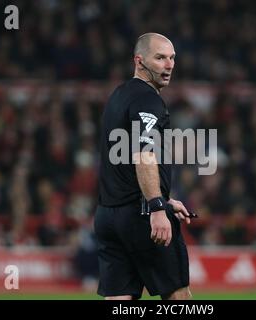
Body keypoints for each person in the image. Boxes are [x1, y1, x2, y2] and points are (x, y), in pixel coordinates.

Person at [94, 33, 193, 300]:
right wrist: (157, 206)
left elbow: (121, 160)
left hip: (107, 216)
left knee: (119, 301)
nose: (169, 64)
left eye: (172, 58)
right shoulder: (148, 100)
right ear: (139, 61)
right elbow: (144, 154)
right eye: (160, 58)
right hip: (140, 216)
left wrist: (164, 197)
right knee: (178, 296)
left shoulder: (118, 96)